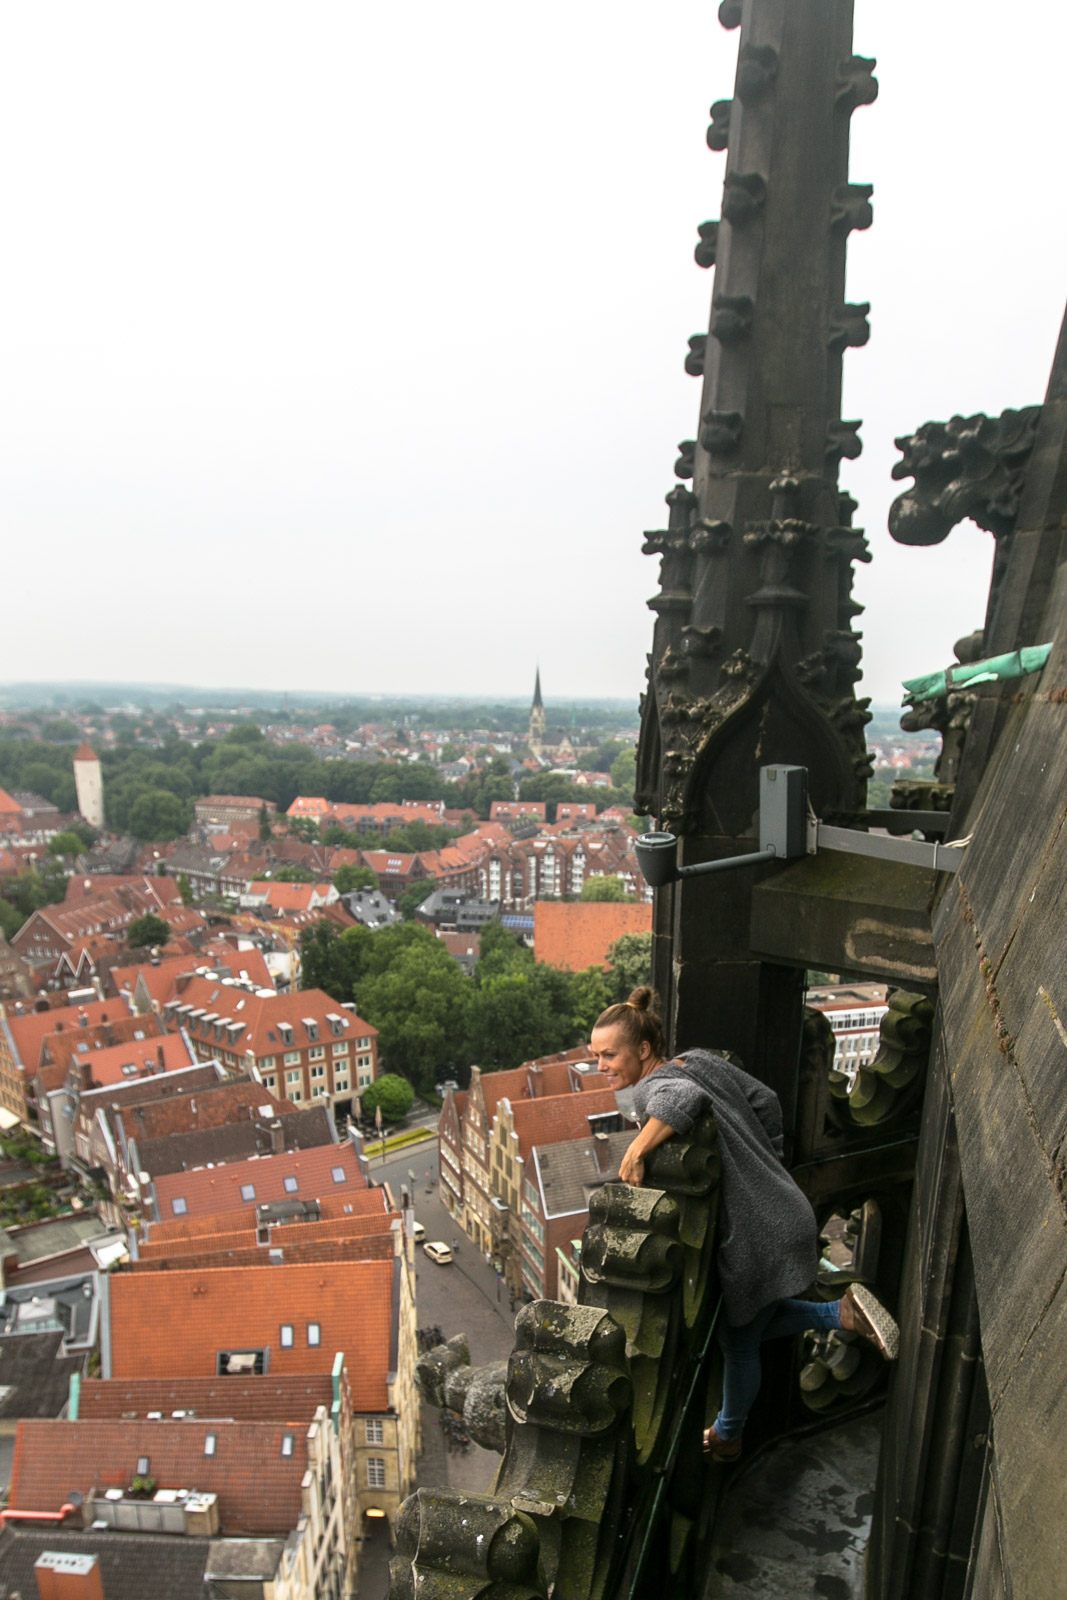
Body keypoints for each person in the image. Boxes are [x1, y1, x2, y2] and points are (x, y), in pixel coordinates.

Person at [590, 987, 899, 1463]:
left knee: (738, 1344)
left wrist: (636, 1150)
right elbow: (767, 1100)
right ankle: (841, 1316)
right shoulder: (696, 1058)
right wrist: (766, 1163)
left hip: (755, 1235)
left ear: (644, 1051)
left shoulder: (653, 1089)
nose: (602, 1066)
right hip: (786, 1207)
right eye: (595, 1057)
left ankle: (729, 1435)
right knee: (747, 1326)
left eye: (609, 1055)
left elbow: (682, 1099)